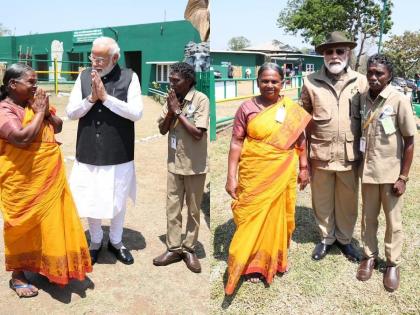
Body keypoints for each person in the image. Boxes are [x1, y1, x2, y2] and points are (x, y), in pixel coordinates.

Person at [0, 64, 92, 298]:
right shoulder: (4, 110)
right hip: (20, 183)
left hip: (48, 179)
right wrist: (40, 112)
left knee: (48, 225)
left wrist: (45, 112)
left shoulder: (34, 105)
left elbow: (58, 126)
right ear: (13, 85)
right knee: (20, 228)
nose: (35, 86)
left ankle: (45, 266)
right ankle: (18, 275)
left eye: (36, 81)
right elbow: (21, 139)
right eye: (31, 82)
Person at [224, 62, 311, 295]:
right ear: (258, 82)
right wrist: (231, 176)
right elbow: (236, 142)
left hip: (282, 170)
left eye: (275, 81)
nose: (270, 85)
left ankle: (273, 259)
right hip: (254, 171)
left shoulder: (291, 109)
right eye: (265, 80)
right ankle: (248, 261)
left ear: (283, 83)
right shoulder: (246, 108)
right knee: (251, 216)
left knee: (277, 214)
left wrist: (304, 166)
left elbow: (300, 139)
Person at [66, 37, 143, 265]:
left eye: (101, 58)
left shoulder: (130, 77)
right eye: (93, 57)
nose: (95, 62)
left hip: (118, 150)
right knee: (91, 196)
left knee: (117, 196)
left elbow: (136, 112)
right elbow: (71, 112)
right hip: (88, 149)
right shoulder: (82, 77)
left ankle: (116, 241)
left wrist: (107, 99)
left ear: (115, 58)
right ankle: (96, 240)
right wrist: (91, 98)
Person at [300, 31, 368, 262]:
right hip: (320, 152)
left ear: (348, 53)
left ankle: (345, 240)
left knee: (348, 200)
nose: (335, 56)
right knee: (321, 199)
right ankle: (326, 238)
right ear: (323, 55)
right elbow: (303, 119)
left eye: (340, 51)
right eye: (329, 52)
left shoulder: (361, 81)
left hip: (350, 154)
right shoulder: (310, 82)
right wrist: (303, 158)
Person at [356, 54, 416, 292]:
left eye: (379, 73)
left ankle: (392, 263)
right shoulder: (362, 98)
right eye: (370, 72)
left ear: (389, 75)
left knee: (393, 222)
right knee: (368, 218)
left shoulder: (398, 99)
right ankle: (369, 256)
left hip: (391, 174)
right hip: (368, 171)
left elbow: (410, 140)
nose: (373, 77)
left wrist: (403, 177)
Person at [153, 62, 209, 273]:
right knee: (172, 208)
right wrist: (170, 111)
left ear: (189, 81)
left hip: (195, 166)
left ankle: (189, 249)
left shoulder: (201, 100)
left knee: (194, 211)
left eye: (176, 80)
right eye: (171, 79)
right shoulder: (171, 99)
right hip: (174, 164)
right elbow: (162, 130)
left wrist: (178, 112)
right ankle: (174, 248)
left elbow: (197, 134)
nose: (172, 83)